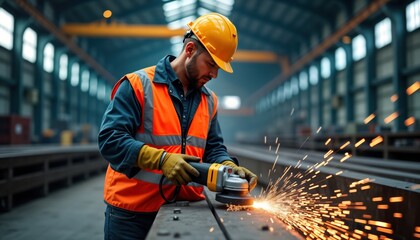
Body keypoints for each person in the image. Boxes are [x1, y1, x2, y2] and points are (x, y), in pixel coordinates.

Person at [98, 12, 258, 240]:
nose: (214, 74)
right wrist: (162, 160)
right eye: (211, 64)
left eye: (218, 68)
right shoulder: (138, 85)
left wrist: (228, 166)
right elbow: (110, 141)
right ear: (190, 50)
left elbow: (213, 147)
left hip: (185, 208)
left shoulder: (209, 100)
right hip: (131, 213)